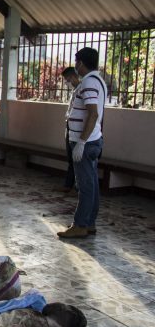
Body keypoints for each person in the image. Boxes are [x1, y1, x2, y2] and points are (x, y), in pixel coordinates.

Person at [58, 48, 106, 238]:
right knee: (92, 183)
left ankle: (80, 225)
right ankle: (89, 222)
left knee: (85, 185)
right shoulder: (96, 81)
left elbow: (93, 113)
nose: (75, 65)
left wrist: (82, 142)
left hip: (86, 142)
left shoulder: (89, 83)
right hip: (91, 140)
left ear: (81, 63)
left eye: (76, 62)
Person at [56, 67, 81, 194]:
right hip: (70, 127)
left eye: (67, 79)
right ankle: (68, 185)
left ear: (72, 77)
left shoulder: (83, 89)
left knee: (77, 160)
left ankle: (77, 187)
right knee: (71, 159)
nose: (66, 82)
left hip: (78, 131)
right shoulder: (74, 90)